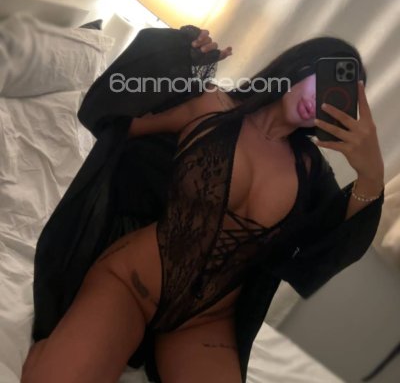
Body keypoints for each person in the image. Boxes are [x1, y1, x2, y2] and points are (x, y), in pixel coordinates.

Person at [22, 26, 385, 383]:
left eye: (335, 97)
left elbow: (322, 253)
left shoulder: (310, 171)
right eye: (324, 79)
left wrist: (371, 177)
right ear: (302, 64)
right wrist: (177, 54)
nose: (319, 101)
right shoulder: (210, 104)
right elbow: (109, 116)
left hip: (205, 323)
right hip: (130, 284)